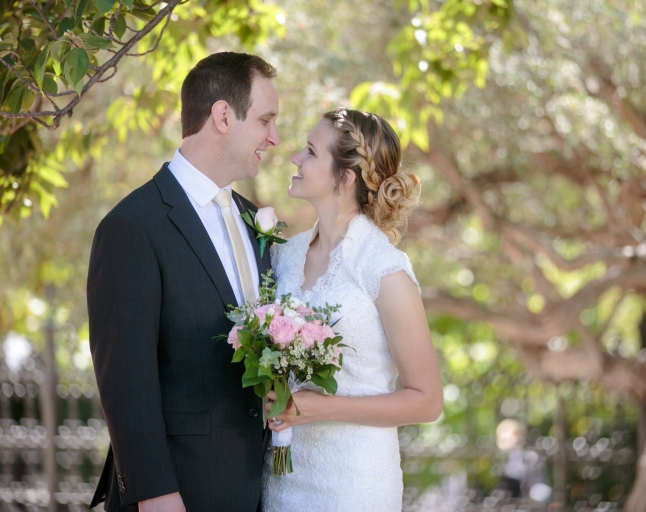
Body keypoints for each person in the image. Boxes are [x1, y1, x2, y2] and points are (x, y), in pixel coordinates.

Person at [87, 52, 280, 512]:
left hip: (260, 493)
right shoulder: (133, 226)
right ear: (223, 116)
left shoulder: (258, 221)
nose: (274, 138)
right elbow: (124, 377)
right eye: (266, 120)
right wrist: (155, 493)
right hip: (178, 494)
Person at [261, 108, 443, 511]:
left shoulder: (384, 269)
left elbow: (427, 400)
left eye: (310, 152)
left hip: (355, 484)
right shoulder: (283, 258)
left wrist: (326, 407)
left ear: (344, 178)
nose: (295, 158)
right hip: (283, 482)